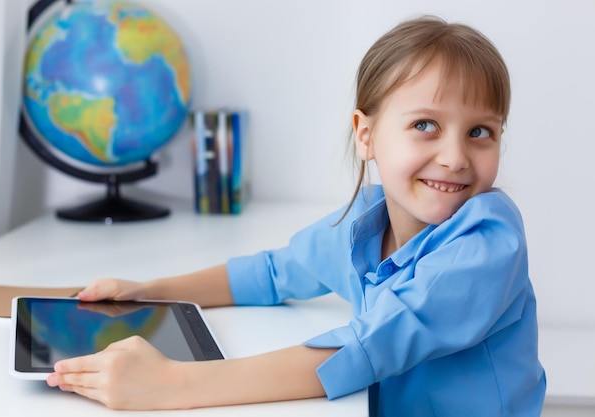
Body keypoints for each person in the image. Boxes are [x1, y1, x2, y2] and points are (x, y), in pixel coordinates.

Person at [46, 15, 546, 416]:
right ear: (365, 133)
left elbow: (367, 348)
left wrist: (172, 385)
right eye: (425, 125)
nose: (456, 157)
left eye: (481, 132)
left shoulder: (488, 241)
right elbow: (271, 273)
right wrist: (151, 292)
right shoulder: (368, 218)